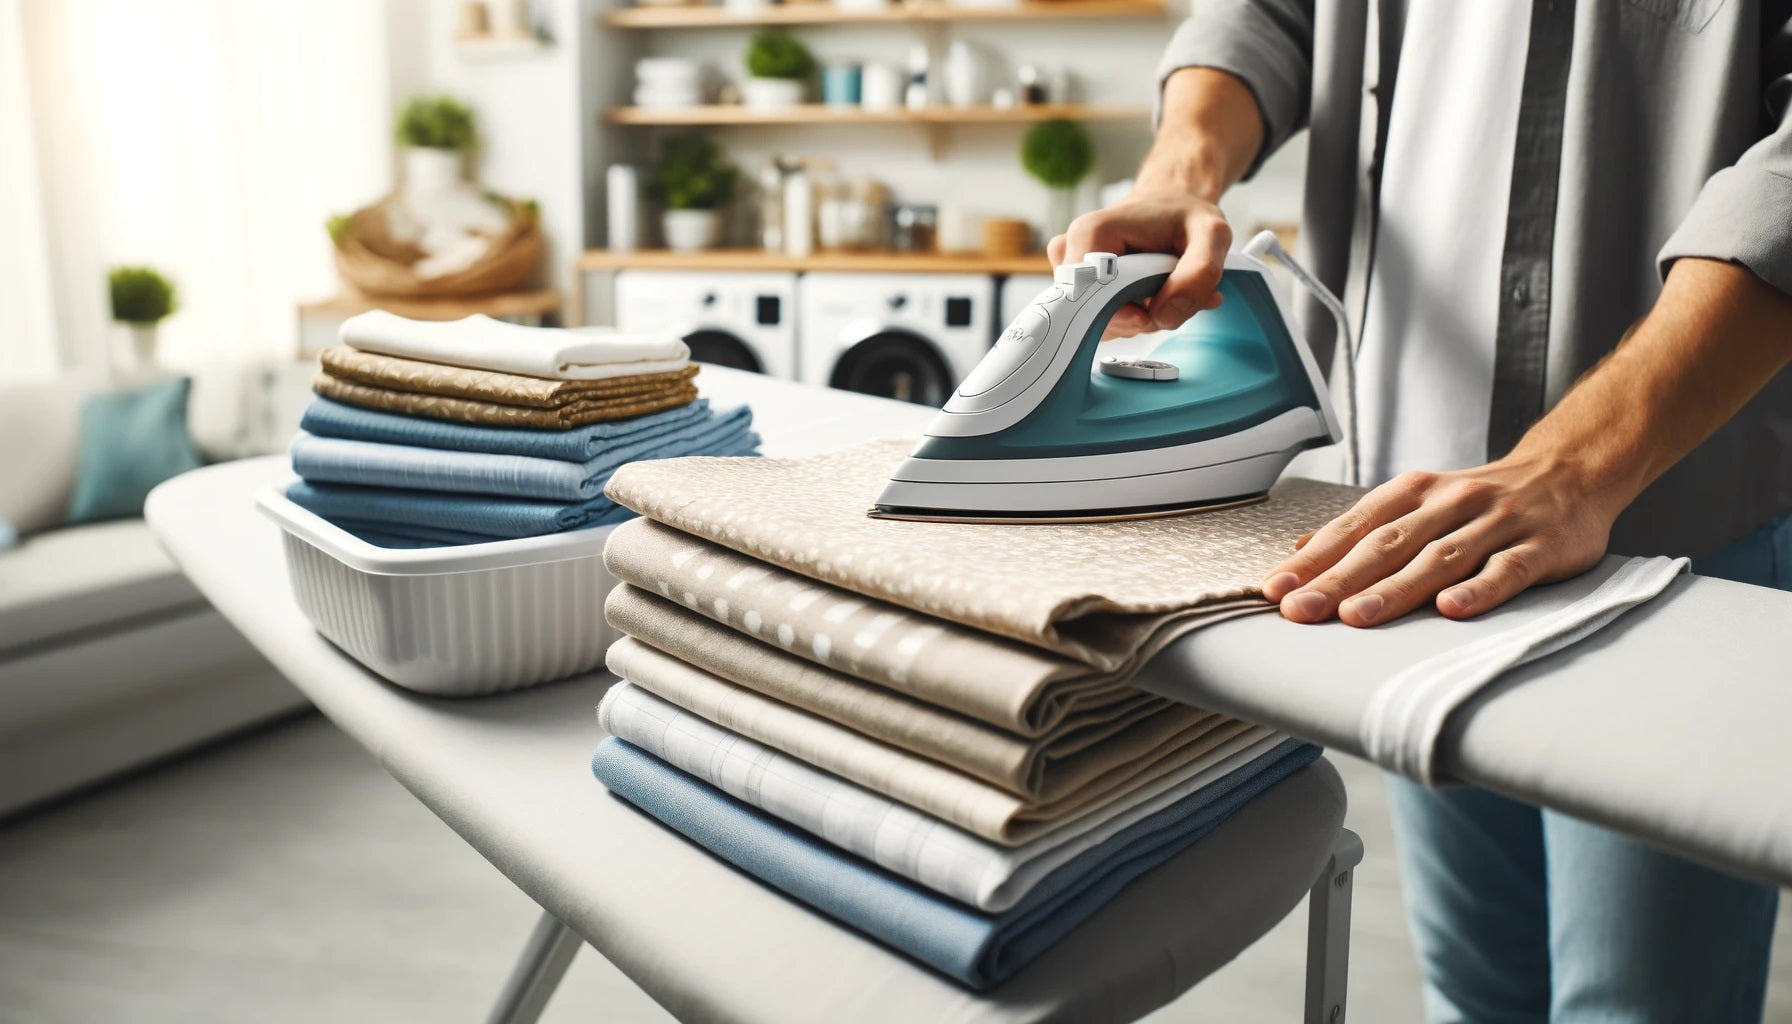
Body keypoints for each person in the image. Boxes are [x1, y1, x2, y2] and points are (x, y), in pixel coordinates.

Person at [1051, 2, 1792, 1021]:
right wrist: (1180, 172)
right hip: (1407, 523)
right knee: (1474, 988)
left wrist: (1578, 465)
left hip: (1672, 515)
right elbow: (1267, 15)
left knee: (1641, 1003)